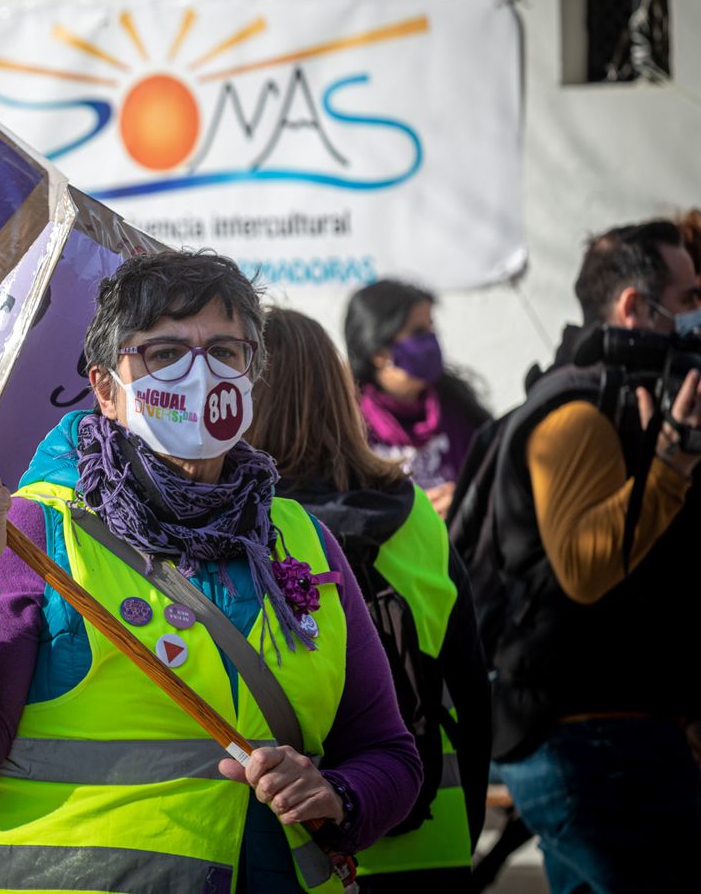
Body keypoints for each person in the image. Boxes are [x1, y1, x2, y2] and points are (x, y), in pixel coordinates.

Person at [0, 250, 420, 894]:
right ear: (106, 390)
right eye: (164, 353)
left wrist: (337, 794)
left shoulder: (303, 539)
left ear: (253, 375)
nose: (202, 372)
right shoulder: (33, 533)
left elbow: (390, 754)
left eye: (226, 349)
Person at [481, 220, 701, 892]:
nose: (696, 309)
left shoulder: (635, 396)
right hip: (590, 742)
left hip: (624, 733)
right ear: (636, 306)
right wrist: (670, 461)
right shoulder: (577, 409)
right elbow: (584, 569)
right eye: (689, 294)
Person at [247, 308, 489, 892]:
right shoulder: (416, 513)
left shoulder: (246, 531)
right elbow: (470, 685)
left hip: (289, 843)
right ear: (339, 391)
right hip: (429, 827)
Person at [344, 281, 491, 518]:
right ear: (379, 353)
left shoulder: (459, 409)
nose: (431, 339)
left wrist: (466, 498)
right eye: (418, 332)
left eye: (431, 327)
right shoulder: (348, 425)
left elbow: (494, 482)